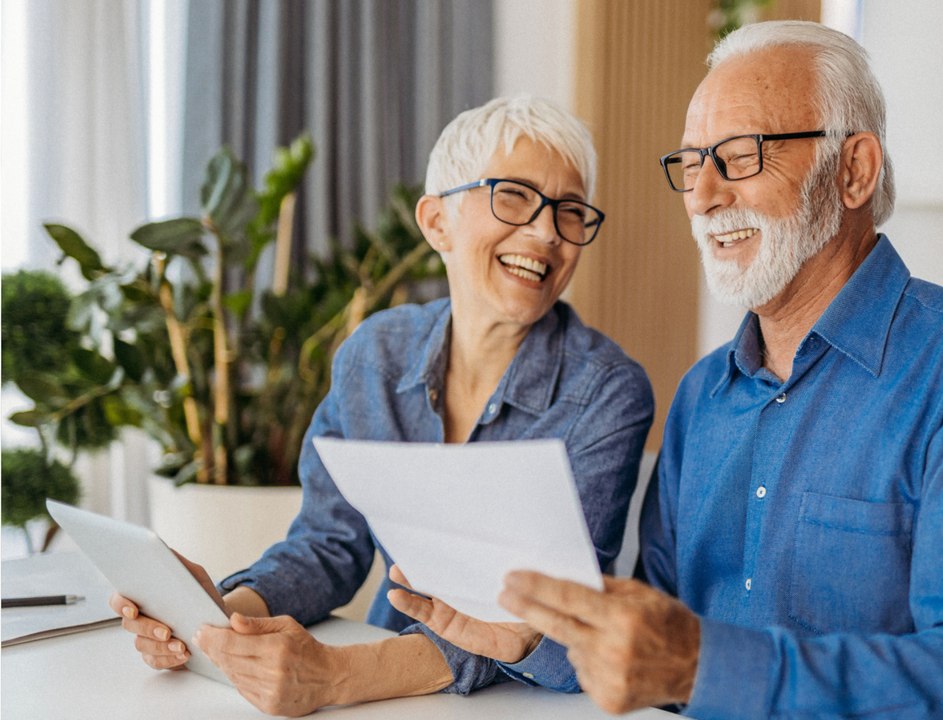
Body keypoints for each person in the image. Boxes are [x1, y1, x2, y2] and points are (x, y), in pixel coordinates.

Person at [482, 21, 943, 719]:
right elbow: (655, 650)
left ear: (854, 170)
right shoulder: (703, 395)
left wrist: (707, 667)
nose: (702, 195)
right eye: (691, 163)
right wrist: (529, 639)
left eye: (739, 156)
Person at [108, 95, 655, 716]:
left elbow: (557, 622)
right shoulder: (375, 353)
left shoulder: (609, 391)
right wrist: (220, 621)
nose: (546, 232)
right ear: (436, 221)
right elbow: (328, 543)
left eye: (570, 210)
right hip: (395, 697)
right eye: (514, 196)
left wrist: (339, 676)